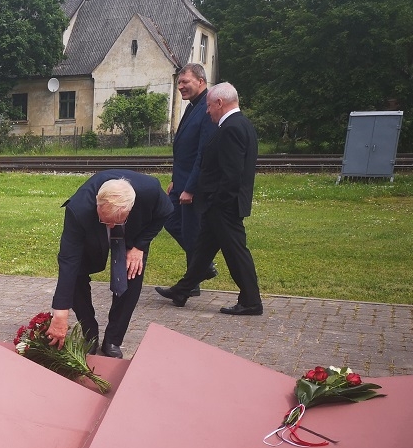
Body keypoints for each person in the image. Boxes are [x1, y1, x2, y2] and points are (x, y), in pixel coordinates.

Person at [155, 82, 263, 316]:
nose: (207, 111)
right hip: (221, 205)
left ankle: (251, 301)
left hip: (224, 206)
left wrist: (216, 201)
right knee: (203, 250)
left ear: (219, 103)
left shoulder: (231, 128)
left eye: (209, 106)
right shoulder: (241, 124)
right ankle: (182, 291)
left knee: (236, 253)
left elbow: (231, 174)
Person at [47, 171, 173, 359]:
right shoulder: (79, 209)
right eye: (106, 220)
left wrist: (139, 246)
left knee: (132, 273)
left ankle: (113, 340)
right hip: (91, 232)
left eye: (117, 221)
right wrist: (60, 313)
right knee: (76, 276)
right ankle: (90, 332)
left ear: (130, 208)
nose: (111, 226)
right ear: (97, 203)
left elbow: (166, 212)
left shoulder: (150, 191)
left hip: (134, 235)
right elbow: (68, 261)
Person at [160, 63, 218, 296]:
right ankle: (200, 269)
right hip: (181, 181)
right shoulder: (192, 106)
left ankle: (195, 276)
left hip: (193, 185)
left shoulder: (206, 107)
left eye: (185, 82)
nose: (180, 87)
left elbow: (202, 153)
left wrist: (191, 187)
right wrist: (176, 179)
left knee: (190, 229)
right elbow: (185, 150)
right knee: (171, 219)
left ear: (201, 81)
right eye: (179, 83)